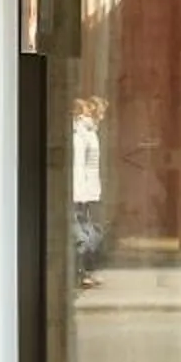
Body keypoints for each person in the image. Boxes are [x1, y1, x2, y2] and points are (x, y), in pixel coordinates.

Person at [70, 96, 106, 287]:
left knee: (89, 232)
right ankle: (81, 272)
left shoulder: (88, 132)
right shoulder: (80, 134)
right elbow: (79, 166)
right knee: (82, 234)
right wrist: (81, 192)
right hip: (80, 191)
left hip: (85, 191)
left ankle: (84, 271)